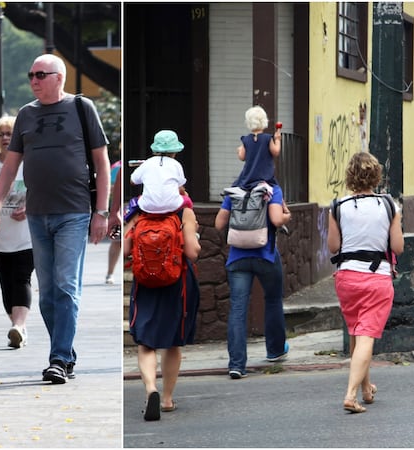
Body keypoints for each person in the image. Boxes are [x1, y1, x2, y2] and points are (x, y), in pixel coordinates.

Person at [0, 53, 111, 384]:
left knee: (67, 286)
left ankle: (57, 357)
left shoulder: (82, 109)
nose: (34, 81)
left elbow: (101, 162)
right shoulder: (26, 114)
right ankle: (65, 352)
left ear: (59, 77)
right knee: (48, 293)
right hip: (37, 215)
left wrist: (102, 212)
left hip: (74, 212)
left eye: (40, 75)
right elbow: (10, 166)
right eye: (31, 75)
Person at [326, 152, 404, 414]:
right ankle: (350, 395)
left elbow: (334, 247)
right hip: (376, 278)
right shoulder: (389, 205)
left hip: (347, 278)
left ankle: (366, 388)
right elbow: (398, 247)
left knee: (357, 332)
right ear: (376, 176)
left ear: (349, 176)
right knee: (367, 335)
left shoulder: (337, 206)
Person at [124, 196, 201, 421]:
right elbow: (193, 252)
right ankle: (167, 399)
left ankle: (151, 390)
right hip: (177, 283)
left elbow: (126, 248)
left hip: (145, 283)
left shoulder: (139, 210)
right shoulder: (183, 211)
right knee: (173, 341)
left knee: (146, 342)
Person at [214, 177, 292, 380]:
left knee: (238, 308)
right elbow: (276, 220)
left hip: (237, 257)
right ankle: (275, 350)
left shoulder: (234, 189)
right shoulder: (273, 189)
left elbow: (218, 223)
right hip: (265, 255)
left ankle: (237, 365)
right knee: (273, 299)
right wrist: (286, 216)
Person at [0, 115, 34, 349]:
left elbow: (43, 190)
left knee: (21, 278)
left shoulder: (29, 163)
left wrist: (29, 206)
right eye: (1, 134)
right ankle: (18, 327)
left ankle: (19, 326)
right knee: (6, 285)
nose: (5, 138)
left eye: (10, 134)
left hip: (26, 236)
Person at [126, 130, 192, 220]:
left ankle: (129, 229)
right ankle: (190, 230)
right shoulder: (176, 164)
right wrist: (185, 194)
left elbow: (133, 181)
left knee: (135, 204)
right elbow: (180, 189)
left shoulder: (147, 163)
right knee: (187, 201)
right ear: (175, 151)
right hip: (171, 205)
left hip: (148, 206)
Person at [232, 105, 280, 190]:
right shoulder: (267, 138)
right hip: (265, 178)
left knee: (233, 190)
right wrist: (277, 139)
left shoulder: (246, 139)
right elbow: (276, 151)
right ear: (265, 121)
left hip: (248, 179)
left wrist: (239, 150)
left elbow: (242, 157)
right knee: (278, 195)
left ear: (248, 122)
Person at [105, 159, 122, 284]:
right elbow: (108, 187)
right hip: (120, 209)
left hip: (134, 208)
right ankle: (110, 273)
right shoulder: (116, 167)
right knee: (116, 241)